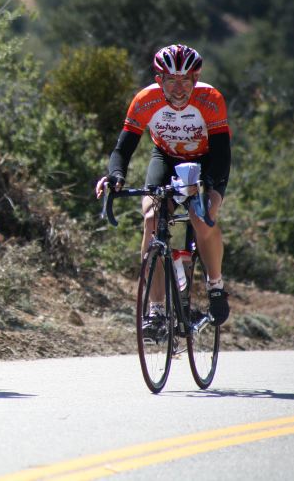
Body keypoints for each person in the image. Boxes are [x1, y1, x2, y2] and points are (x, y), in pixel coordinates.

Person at [95, 44, 231, 333]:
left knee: (202, 215)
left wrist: (210, 187)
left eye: (185, 80)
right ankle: (156, 311)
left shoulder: (210, 99)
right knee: (151, 218)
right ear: (160, 80)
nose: (179, 88)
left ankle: (215, 284)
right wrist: (115, 175)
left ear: (196, 79)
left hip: (207, 161)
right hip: (166, 158)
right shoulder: (145, 101)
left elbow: (221, 151)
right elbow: (123, 148)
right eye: (171, 80)